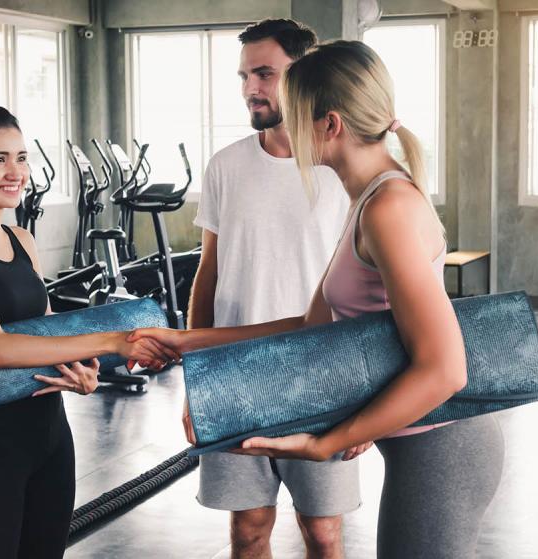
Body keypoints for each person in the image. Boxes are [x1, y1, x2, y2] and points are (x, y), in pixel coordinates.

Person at [134, 41, 505, 558]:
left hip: (442, 445)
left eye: (295, 114)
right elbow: (310, 328)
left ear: (329, 126)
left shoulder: (387, 207)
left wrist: (327, 443)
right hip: (420, 445)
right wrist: (186, 339)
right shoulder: (367, 199)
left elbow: (445, 371)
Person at [0, 95, 176, 559]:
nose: (16, 171)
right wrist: (114, 340)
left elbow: (48, 330)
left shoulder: (21, 239)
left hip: (50, 436)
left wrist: (83, 368)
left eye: (21, 157)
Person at [184, 19, 356, 559]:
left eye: (265, 73)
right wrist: (198, 378)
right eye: (243, 76)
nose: (250, 88)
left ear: (303, 77)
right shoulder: (225, 166)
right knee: (249, 530)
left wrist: (366, 393)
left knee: (324, 534)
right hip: (235, 374)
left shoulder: (339, 168)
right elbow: (208, 273)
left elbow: (368, 290)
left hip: (321, 376)